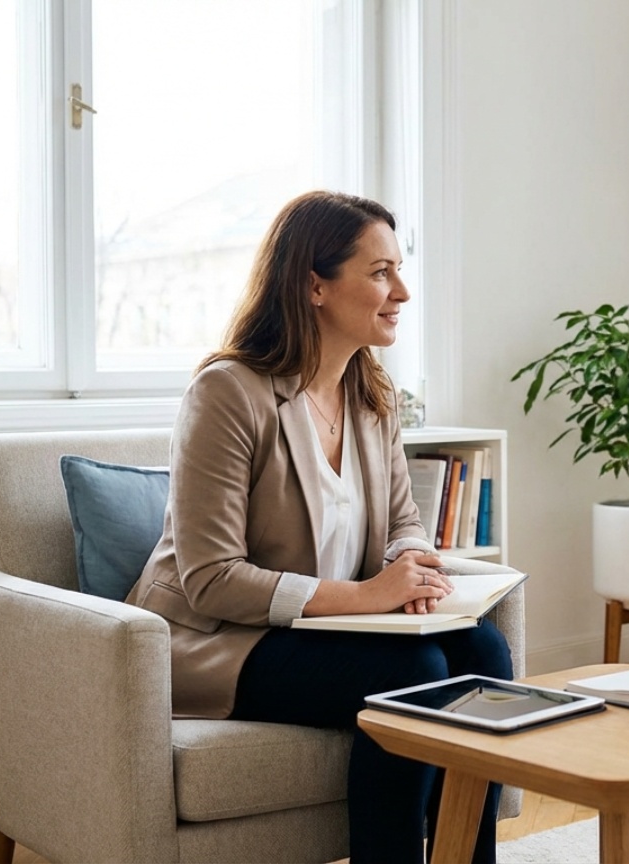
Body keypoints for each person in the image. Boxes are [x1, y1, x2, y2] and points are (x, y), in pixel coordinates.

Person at [125, 190, 512, 864]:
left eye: (399, 271)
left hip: (329, 630)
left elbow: (402, 520)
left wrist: (412, 566)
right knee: (417, 670)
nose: (402, 292)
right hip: (221, 639)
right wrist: (367, 596)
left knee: (485, 652)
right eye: (381, 273)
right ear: (315, 286)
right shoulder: (228, 392)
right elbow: (211, 578)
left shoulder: (370, 393)